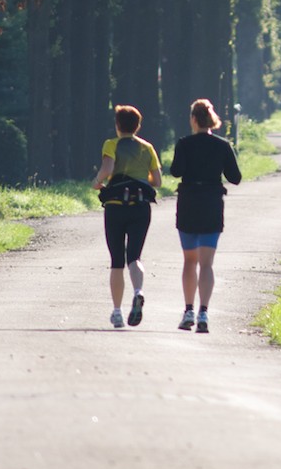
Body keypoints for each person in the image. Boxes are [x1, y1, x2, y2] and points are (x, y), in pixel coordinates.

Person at [168, 98, 241, 333]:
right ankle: (204, 313)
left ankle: (188, 310)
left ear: (193, 119)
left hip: (188, 205)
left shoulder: (184, 144)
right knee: (207, 264)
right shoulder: (222, 145)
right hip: (211, 205)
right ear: (211, 119)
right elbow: (235, 177)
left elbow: (176, 171)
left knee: (189, 261)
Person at [92, 104, 161, 328]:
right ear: (138, 125)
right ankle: (138, 291)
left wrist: (97, 182)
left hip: (115, 207)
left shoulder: (111, 144)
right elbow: (157, 181)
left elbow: (107, 168)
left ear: (117, 125)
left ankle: (117, 313)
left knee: (116, 260)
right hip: (140, 207)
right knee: (134, 257)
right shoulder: (147, 148)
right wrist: (138, 179)